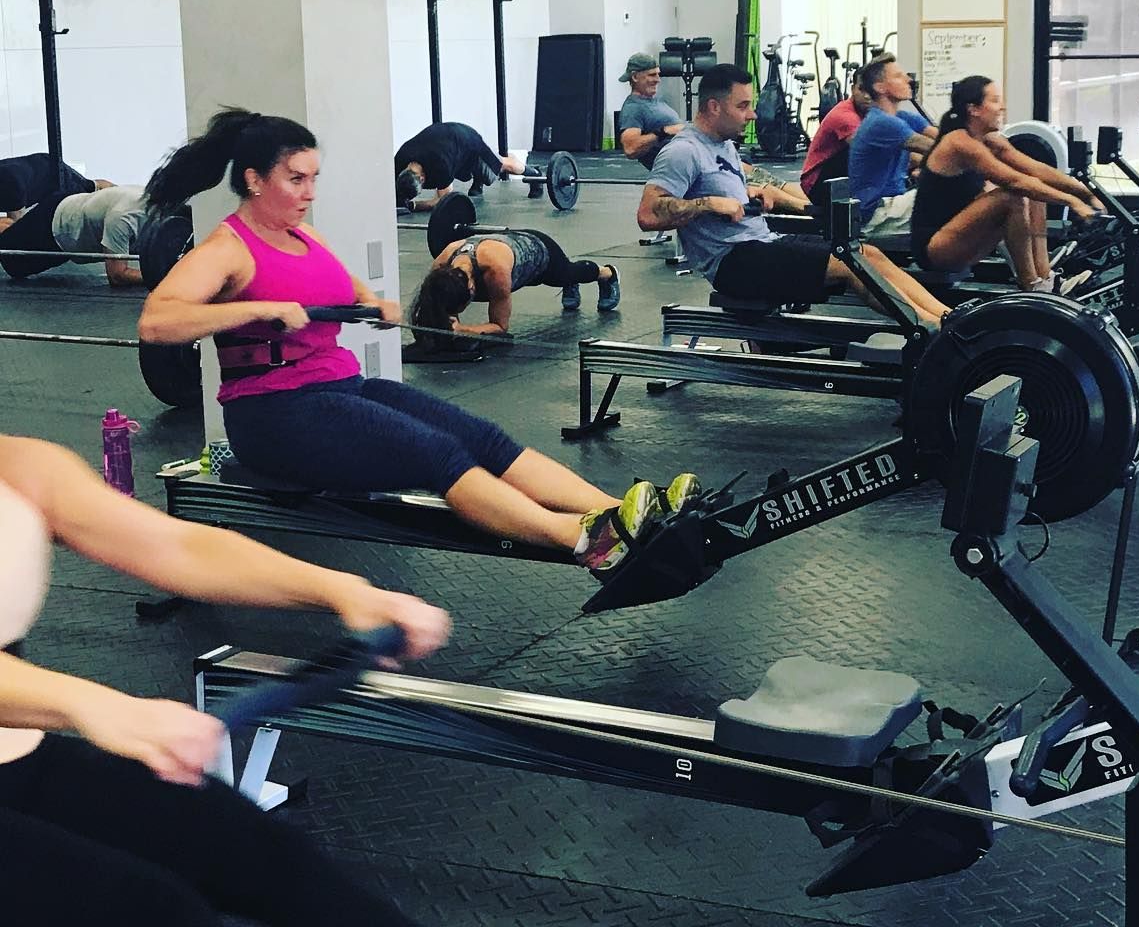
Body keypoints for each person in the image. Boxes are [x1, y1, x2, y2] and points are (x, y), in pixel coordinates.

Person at [140, 108, 696, 572]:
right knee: (437, 454)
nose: (309, 193)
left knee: (483, 438)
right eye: (296, 180)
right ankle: (582, 539)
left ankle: (620, 512)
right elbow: (156, 322)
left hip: (341, 387)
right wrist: (260, 309)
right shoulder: (227, 248)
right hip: (272, 415)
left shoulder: (302, 235)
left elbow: (342, 285)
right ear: (255, 180)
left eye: (314, 178)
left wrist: (373, 303)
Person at [0, 427, 448, 926]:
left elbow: (176, 547)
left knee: (276, 866)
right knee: (152, 910)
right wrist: (92, 704)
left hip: (20, 757)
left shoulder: (22, 466)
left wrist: (345, 591)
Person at [638, 65, 951, 325]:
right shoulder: (683, 151)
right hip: (733, 262)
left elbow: (728, 189)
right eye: (742, 106)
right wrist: (707, 204)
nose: (752, 115)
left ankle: (948, 318)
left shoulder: (723, 144)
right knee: (851, 265)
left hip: (762, 244)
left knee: (865, 253)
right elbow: (648, 214)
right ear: (714, 107)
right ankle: (932, 330)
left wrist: (754, 194)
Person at [910, 76, 1103, 294]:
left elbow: (1036, 169)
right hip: (935, 248)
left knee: (1035, 193)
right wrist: (1072, 201)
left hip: (961, 237)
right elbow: (1014, 181)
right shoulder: (959, 142)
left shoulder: (990, 140)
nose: (1002, 107)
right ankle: (1031, 285)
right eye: (995, 100)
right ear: (973, 109)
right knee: (1012, 196)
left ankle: (1046, 279)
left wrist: (1086, 194)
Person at [411, 228, 620, 338]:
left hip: (540, 252)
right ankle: (571, 284)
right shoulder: (441, 267)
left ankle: (608, 274)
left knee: (568, 273)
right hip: (508, 249)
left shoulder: (495, 273)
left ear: (472, 288)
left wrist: (463, 329)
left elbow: (500, 327)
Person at [799, 55, 934, 201]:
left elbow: (936, 138)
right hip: (820, 183)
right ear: (853, 89)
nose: (867, 95)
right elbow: (873, 152)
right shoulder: (846, 116)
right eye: (862, 89)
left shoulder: (898, 116)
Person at [845, 58, 937, 240]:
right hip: (877, 215)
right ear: (880, 87)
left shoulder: (903, 117)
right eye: (898, 76)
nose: (908, 80)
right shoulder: (882, 122)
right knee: (961, 197)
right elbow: (941, 149)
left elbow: (945, 137)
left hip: (894, 204)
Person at [0, 183, 147, 286]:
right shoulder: (123, 217)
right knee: (10, 262)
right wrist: (157, 277)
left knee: (13, 232)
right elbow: (117, 276)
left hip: (77, 212)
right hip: (53, 226)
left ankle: (15, 227)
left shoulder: (150, 200)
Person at [394, 120, 525, 211]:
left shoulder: (441, 166)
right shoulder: (399, 160)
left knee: (503, 167)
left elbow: (443, 202)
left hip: (467, 140)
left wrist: (414, 206)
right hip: (446, 142)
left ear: (422, 179)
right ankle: (478, 179)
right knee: (469, 171)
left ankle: (529, 171)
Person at [0, 152, 113, 228]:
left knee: (88, 187)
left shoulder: (10, 186)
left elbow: (16, 227)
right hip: (39, 165)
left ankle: (119, 195)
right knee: (88, 186)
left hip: (49, 172)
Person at [617, 52, 684, 169]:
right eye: (652, 75)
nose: (658, 80)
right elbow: (630, 148)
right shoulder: (633, 108)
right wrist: (664, 132)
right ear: (635, 77)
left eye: (658, 74)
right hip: (674, 167)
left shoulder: (656, 100)